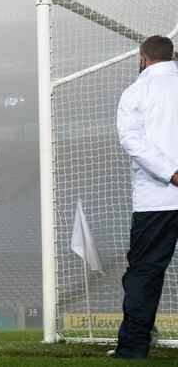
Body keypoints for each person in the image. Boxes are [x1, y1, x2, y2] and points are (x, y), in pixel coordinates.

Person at [110, 35, 178, 358]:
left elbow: (133, 142)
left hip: (157, 201)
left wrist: (172, 173)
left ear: (143, 58)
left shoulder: (136, 92)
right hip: (158, 198)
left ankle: (134, 347)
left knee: (144, 275)